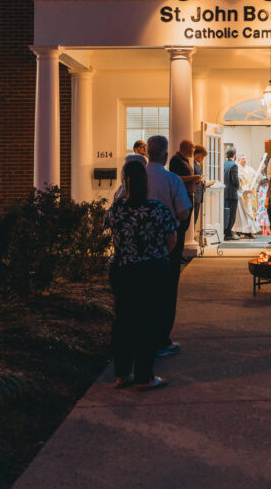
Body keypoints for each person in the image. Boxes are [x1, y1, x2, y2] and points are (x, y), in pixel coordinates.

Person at [115, 136, 191, 359]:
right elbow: (183, 212)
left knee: (137, 297)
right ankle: (160, 340)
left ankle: (137, 343)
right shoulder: (172, 180)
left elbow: (115, 211)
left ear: (147, 153)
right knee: (166, 293)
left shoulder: (130, 185)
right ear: (166, 155)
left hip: (131, 249)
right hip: (165, 245)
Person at [104, 160, 175, 391]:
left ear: (125, 182)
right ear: (145, 182)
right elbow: (171, 239)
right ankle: (144, 376)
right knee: (149, 321)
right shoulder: (156, 210)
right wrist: (156, 253)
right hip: (151, 270)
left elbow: (108, 231)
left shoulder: (115, 210)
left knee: (123, 321)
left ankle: (122, 374)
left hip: (123, 270)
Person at [170, 139, 201, 259]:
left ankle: (180, 252)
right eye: (192, 147)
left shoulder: (186, 160)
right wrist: (192, 177)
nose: (194, 150)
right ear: (185, 147)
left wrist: (195, 181)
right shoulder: (176, 160)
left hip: (189, 193)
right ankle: (176, 254)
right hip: (181, 194)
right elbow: (176, 177)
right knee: (181, 226)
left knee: (185, 225)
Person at [233, 155, 261, 238]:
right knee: (242, 214)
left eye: (245, 158)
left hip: (250, 194)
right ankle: (241, 230)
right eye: (242, 159)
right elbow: (239, 181)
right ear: (238, 160)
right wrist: (244, 189)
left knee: (249, 214)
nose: (244, 160)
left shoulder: (249, 168)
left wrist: (260, 171)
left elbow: (256, 178)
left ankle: (248, 231)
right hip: (242, 194)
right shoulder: (237, 168)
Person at [222, 147, 239, 240]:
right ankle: (228, 233)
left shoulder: (224, 164)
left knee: (226, 213)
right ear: (234, 155)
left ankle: (226, 231)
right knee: (232, 214)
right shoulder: (234, 165)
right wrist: (237, 187)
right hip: (232, 193)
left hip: (224, 192)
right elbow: (235, 180)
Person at [191, 145, 208, 233]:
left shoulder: (197, 165)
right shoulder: (192, 164)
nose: (202, 159)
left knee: (195, 218)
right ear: (197, 154)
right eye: (202, 156)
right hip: (195, 194)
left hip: (198, 195)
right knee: (193, 219)